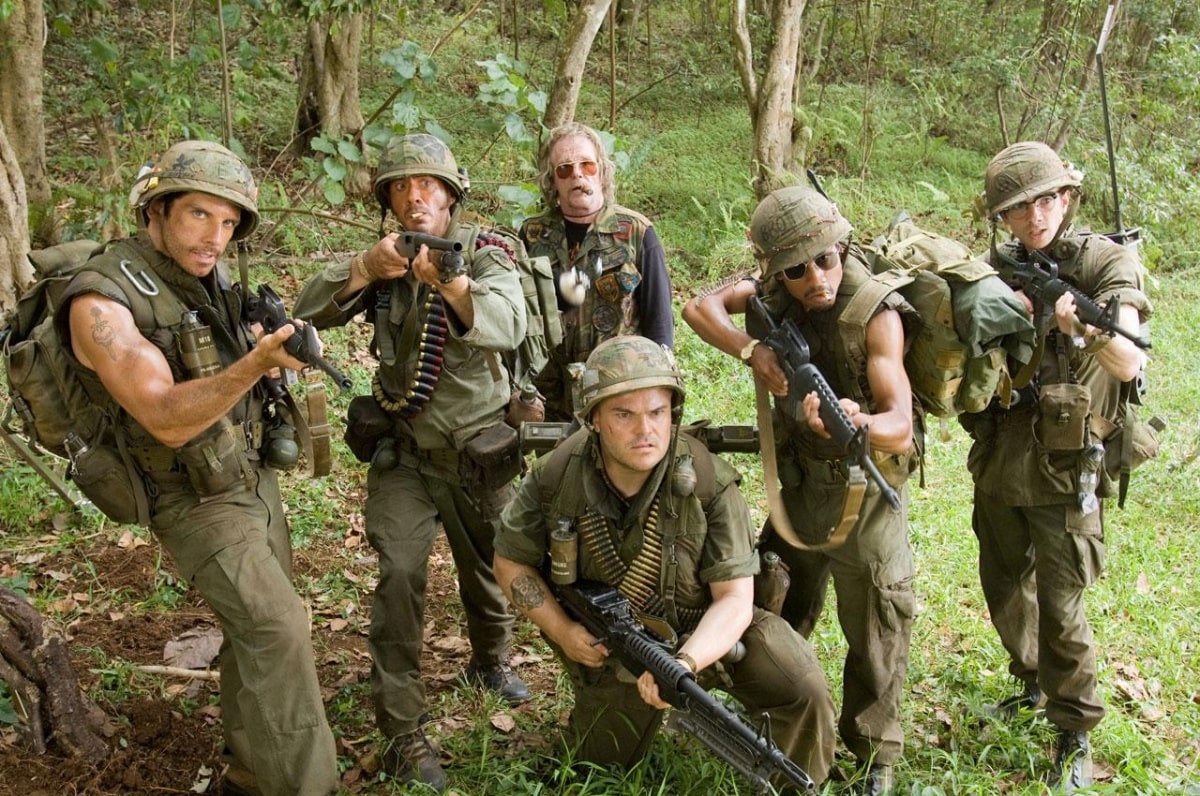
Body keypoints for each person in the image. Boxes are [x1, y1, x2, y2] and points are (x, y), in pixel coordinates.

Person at [56, 140, 338, 795]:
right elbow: (163, 415)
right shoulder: (100, 303)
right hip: (190, 495)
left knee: (254, 631)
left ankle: (250, 771)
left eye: (229, 222)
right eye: (199, 214)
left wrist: (266, 344)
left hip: (245, 475)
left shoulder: (202, 275)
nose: (216, 236)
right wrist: (256, 364)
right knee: (278, 627)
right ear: (155, 210)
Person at [493, 335, 837, 791]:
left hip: (710, 631)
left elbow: (734, 600)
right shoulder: (556, 476)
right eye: (624, 414)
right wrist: (563, 631)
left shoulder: (709, 482)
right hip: (622, 648)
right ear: (594, 418)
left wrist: (684, 663)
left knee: (801, 685)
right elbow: (510, 562)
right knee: (596, 775)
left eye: (657, 413)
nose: (645, 430)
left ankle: (795, 785)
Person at [293, 132, 531, 791]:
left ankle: (492, 659)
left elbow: (509, 322)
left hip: (477, 452)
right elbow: (304, 313)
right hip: (405, 455)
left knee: (490, 565)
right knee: (399, 574)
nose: (414, 195)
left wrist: (453, 286)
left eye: (426, 184)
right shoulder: (387, 260)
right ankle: (402, 730)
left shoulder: (485, 251)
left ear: (451, 194)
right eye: (400, 187)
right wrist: (363, 270)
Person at [682, 185, 920, 796]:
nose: (816, 278)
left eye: (826, 260)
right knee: (773, 600)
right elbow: (698, 308)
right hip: (799, 491)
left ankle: (875, 756)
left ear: (843, 248)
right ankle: (780, 716)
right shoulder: (769, 294)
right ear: (774, 271)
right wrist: (752, 350)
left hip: (865, 497)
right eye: (796, 270)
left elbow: (900, 425)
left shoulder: (875, 312)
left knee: (876, 627)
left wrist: (856, 422)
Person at [962, 141, 1151, 792]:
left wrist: (1091, 332)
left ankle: (1074, 729)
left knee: (1062, 605)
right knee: (1004, 583)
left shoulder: (1104, 262)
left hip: (1067, 463)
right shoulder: (998, 269)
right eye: (1018, 208)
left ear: (1067, 197)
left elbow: (1130, 359)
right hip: (1002, 452)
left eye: (1046, 200)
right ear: (1002, 217)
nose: (1035, 217)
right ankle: (1033, 682)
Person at [520, 122, 674, 419]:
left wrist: (659, 391)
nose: (577, 175)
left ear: (602, 171)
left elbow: (660, 324)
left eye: (587, 165)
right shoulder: (531, 235)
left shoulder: (636, 232)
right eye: (564, 169)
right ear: (552, 181)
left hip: (618, 390)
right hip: (549, 396)